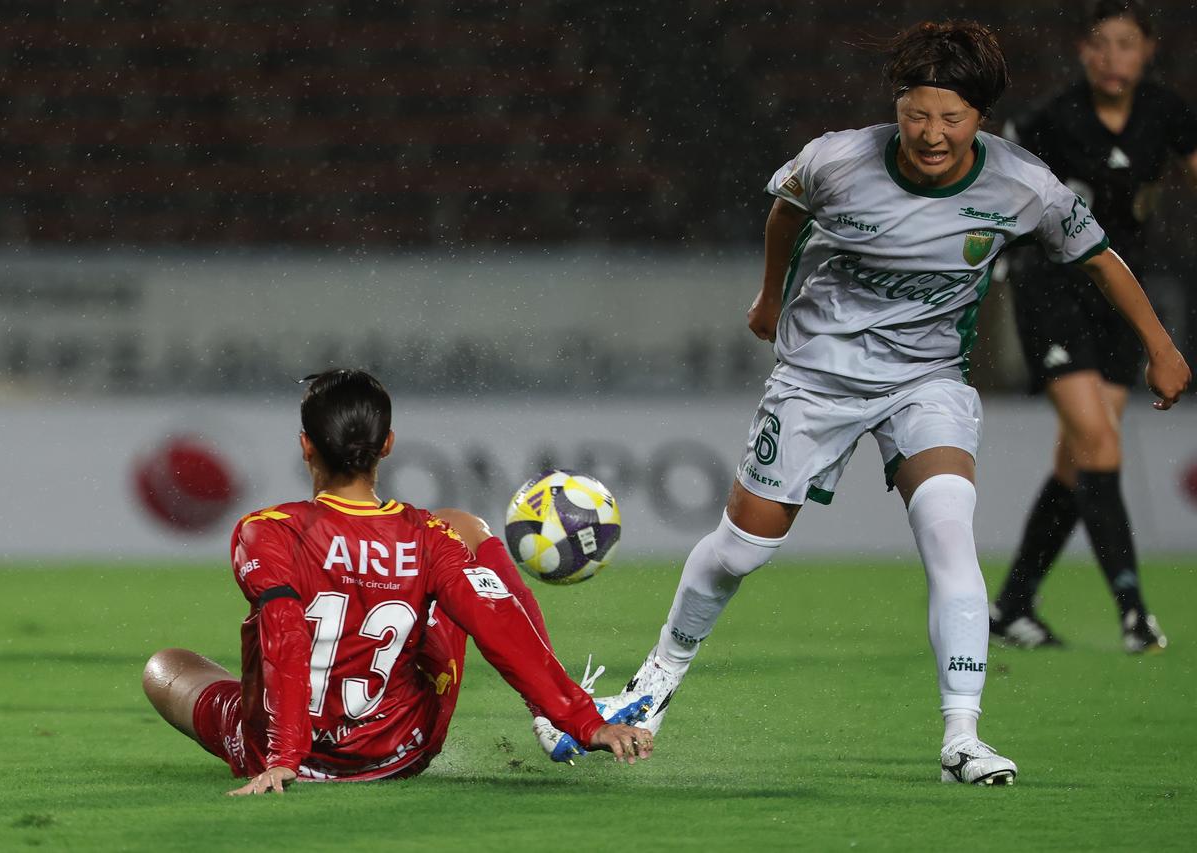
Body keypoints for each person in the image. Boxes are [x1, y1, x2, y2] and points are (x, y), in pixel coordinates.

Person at [602, 20, 1190, 786]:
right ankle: (653, 683)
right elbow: (785, 209)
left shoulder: (1022, 184)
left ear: (982, 118)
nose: (932, 133)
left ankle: (963, 736)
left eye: (952, 118)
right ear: (897, 105)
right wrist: (771, 294)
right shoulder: (837, 161)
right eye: (917, 113)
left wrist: (1161, 344)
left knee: (949, 530)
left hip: (928, 378)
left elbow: (1100, 257)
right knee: (742, 549)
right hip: (818, 374)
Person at [143, 369, 653, 794]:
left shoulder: (264, 532)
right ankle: (544, 719)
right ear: (387, 445)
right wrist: (586, 721)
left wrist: (283, 756)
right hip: (399, 749)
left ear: (305, 447)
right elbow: (497, 625)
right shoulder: (430, 538)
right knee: (466, 530)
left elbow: (286, 633)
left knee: (165, 667)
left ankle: (266, 735)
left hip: (279, 748)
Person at [990, 0, 1197, 653]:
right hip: (1051, 288)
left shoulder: (1167, 114)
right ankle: (1133, 610)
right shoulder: (1054, 121)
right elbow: (1000, 199)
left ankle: (1013, 604)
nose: (1113, 58)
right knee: (1098, 442)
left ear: (1147, 52)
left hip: (1119, 292)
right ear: (1083, 51)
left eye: (1126, 45)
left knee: (1078, 459)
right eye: (1101, 44)